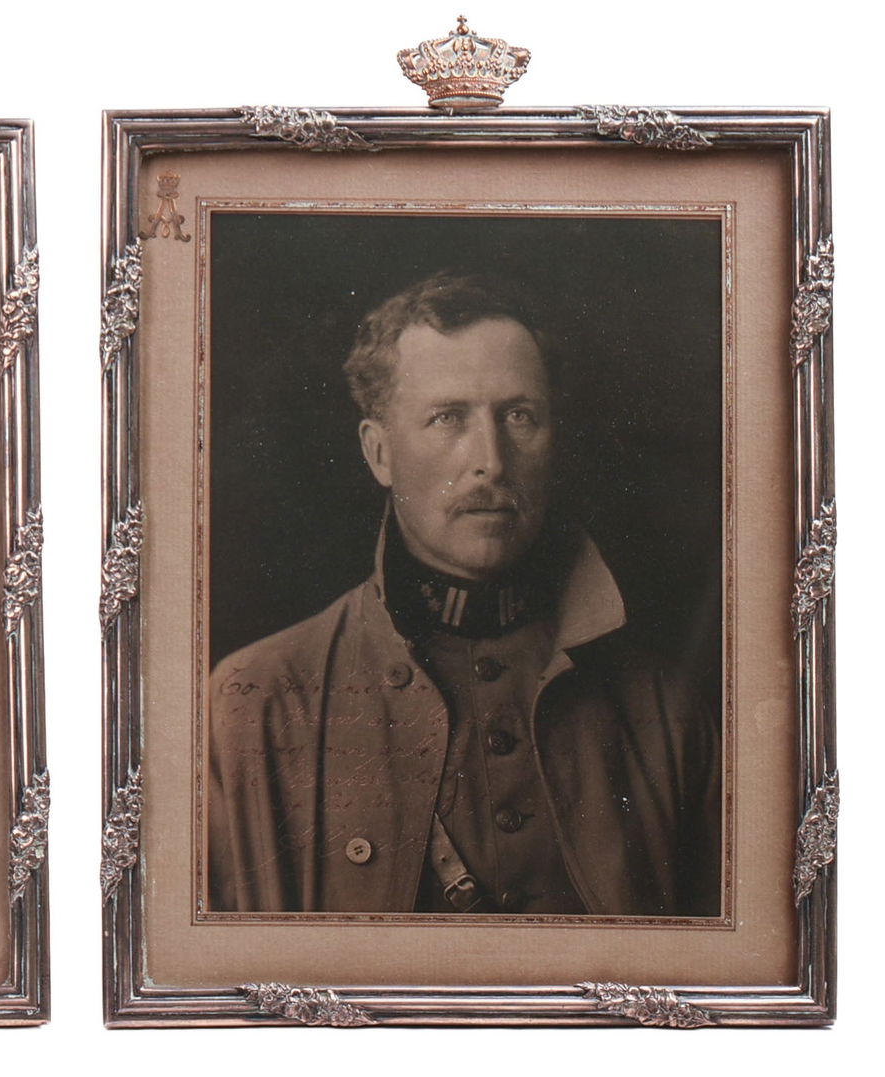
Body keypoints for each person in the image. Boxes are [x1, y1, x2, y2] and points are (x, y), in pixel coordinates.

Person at [207, 270, 720, 917]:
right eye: (449, 418)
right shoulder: (255, 706)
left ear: (554, 440)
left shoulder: (667, 715)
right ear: (380, 453)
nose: (493, 460)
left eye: (520, 416)